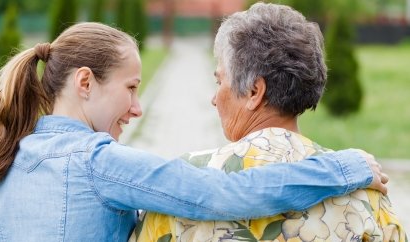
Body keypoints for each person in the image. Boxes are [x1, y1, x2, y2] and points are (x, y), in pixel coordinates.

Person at [0, 22, 387, 241]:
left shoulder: (8, 159)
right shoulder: (98, 162)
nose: (137, 108)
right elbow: (225, 194)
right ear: (85, 82)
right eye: (131, 88)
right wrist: (344, 167)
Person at [131, 3, 407, 242]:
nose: (214, 99)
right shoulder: (367, 192)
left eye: (219, 81)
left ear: (254, 91)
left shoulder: (184, 186)